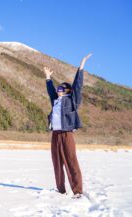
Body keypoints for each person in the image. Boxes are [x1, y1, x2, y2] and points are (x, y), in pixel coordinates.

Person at [43, 53, 92, 198]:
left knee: (71, 161)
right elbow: (50, 91)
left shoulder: (71, 101)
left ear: (67, 91)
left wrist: (81, 67)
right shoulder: (56, 101)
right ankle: (60, 189)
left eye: (61, 90)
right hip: (55, 134)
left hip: (67, 134)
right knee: (56, 162)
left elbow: (78, 86)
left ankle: (77, 191)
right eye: (58, 89)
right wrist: (47, 78)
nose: (58, 91)